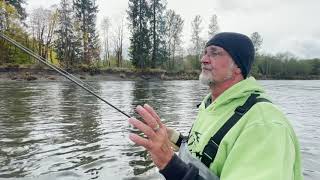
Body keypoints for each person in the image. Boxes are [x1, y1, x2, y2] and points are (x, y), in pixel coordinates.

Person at [128, 32, 303, 180]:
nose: (203, 59)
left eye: (214, 53)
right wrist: (173, 138)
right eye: (204, 53)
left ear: (238, 66)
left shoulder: (266, 126)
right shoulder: (211, 104)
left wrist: (170, 165)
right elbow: (207, 153)